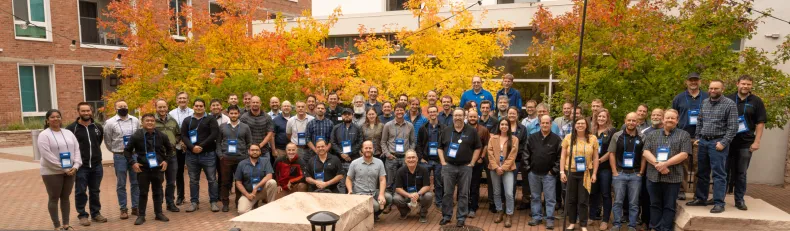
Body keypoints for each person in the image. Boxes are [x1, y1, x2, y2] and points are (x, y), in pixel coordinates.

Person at [686, 80, 739, 213]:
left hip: (718, 143)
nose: (713, 91)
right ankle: (701, 198)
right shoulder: (704, 102)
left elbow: (733, 127)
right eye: (711, 88)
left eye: (716, 88)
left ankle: (719, 203)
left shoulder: (729, 104)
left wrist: (724, 142)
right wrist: (697, 137)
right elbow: (700, 121)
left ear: (723, 89)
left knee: (719, 174)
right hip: (703, 142)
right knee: (701, 172)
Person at [643, 109, 690, 231]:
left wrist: (666, 164)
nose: (669, 120)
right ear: (663, 119)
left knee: (669, 206)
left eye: (672, 118)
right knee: (654, 204)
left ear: (677, 120)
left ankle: (665, 228)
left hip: (673, 177)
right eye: (667, 118)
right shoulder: (652, 135)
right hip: (653, 176)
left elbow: (684, 154)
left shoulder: (684, 135)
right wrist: (658, 164)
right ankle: (655, 227)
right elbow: (646, 152)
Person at [725, 75, 766, 210]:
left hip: (746, 143)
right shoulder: (728, 99)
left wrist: (757, 141)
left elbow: (760, 123)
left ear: (751, 86)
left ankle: (739, 200)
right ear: (737, 84)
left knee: (741, 173)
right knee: (723, 171)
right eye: (743, 84)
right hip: (727, 141)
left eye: (748, 84)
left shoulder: (756, 101)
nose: (745, 86)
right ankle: (719, 198)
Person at [124, 113, 173, 225]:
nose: (150, 122)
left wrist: (166, 160)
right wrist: (133, 163)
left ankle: (158, 213)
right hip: (143, 169)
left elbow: (170, 150)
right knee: (143, 192)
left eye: (152, 120)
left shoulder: (162, 135)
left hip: (157, 168)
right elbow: (127, 151)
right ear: (142, 122)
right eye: (147, 120)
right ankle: (141, 215)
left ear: (154, 122)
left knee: (158, 191)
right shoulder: (137, 136)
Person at [438, 108, 482, 227]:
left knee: (463, 193)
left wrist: (472, 163)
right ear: (453, 117)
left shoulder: (471, 131)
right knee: (447, 193)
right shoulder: (446, 130)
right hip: (449, 166)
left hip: (465, 167)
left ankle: (461, 217)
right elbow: (440, 147)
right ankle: (446, 216)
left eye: (460, 115)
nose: (458, 118)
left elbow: (478, 147)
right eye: (456, 115)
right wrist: (443, 162)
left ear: (464, 117)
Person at [39, 109, 82, 231]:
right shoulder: (44, 135)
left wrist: (75, 166)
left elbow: (77, 150)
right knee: (54, 198)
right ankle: (57, 225)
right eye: (52, 117)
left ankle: (66, 225)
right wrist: (64, 169)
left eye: (58, 117)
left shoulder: (68, 133)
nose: (55, 119)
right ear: (47, 120)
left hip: (71, 171)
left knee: (65, 197)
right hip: (52, 172)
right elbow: (47, 156)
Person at [65, 102, 107, 226]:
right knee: (80, 191)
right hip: (81, 167)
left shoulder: (97, 127)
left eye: (88, 110)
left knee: (95, 191)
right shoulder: (71, 128)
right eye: (83, 111)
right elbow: (69, 147)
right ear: (78, 112)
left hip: (96, 165)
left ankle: (96, 213)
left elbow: (97, 142)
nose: (86, 113)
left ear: (91, 111)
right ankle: (82, 215)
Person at [180, 99, 220, 212]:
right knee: (193, 180)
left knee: (212, 179)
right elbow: (183, 135)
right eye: (196, 106)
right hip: (191, 155)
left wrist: (201, 146)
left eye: (201, 106)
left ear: (204, 107)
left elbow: (214, 134)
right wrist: (192, 147)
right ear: (193, 106)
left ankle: (213, 202)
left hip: (208, 154)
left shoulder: (210, 119)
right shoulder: (187, 120)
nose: (198, 108)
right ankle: (194, 202)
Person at [609, 112, 647, 231]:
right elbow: (611, 154)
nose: (631, 122)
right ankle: (616, 224)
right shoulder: (617, 135)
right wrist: (614, 171)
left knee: (634, 203)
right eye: (629, 120)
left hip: (635, 174)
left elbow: (644, 156)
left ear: (637, 122)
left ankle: (632, 225)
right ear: (625, 121)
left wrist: (641, 172)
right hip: (620, 173)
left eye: (634, 120)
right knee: (618, 201)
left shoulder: (642, 137)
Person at [560, 117, 599, 231]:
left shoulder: (593, 138)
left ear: (587, 125)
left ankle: (583, 224)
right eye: (578, 123)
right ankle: (572, 222)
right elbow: (563, 156)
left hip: (586, 173)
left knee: (583, 200)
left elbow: (596, 157)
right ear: (574, 125)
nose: (580, 125)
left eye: (583, 123)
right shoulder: (568, 137)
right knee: (571, 199)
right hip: (570, 172)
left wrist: (594, 173)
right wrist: (562, 171)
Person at [672, 73, 708, 199]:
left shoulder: (707, 96)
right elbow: (673, 116)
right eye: (691, 80)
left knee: (700, 165)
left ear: (700, 82)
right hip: (683, 136)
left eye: (696, 80)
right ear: (686, 82)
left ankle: (698, 193)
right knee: (683, 165)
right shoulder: (679, 98)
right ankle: (682, 190)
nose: (693, 82)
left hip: (701, 136)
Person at [104, 100, 140, 219]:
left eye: (125, 106)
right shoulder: (109, 123)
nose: (123, 108)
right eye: (120, 106)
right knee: (121, 183)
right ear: (116, 108)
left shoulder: (135, 120)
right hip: (119, 155)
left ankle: (135, 207)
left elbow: (138, 136)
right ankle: (123, 208)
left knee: (135, 182)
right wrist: (115, 150)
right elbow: (108, 140)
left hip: (134, 155)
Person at [525, 115, 561, 230]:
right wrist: (529, 169)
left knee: (550, 198)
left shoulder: (556, 139)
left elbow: (560, 157)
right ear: (539, 124)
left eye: (547, 123)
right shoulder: (532, 137)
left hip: (549, 175)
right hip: (534, 173)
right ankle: (536, 217)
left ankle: (549, 219)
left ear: (551, 124)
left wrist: (553, 171)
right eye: (542, 123)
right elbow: (526, 154)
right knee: (535, 197)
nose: (545, 125)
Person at [216, 105, 253, 212]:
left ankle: (238, 202)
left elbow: (249, 143)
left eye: (235, 113)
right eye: (231, 113)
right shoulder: (222, 127)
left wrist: (246, 156)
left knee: (239, 181)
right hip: (226, 158)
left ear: (239, 114)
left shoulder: (245, 127)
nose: (233, 115)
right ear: (228, 114)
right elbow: (218, 142)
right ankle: (225, 203)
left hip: (241, 159)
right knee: (225, 181)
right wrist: (220, 155)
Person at [346, 141, 391, 221]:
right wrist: (350, 190)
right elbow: (348, 179)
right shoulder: (354, 163)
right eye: (366, 148)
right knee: (376, 206)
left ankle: (373, 216)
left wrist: (381, 194)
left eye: (370, 148)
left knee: (388, 197)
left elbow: (382, 179)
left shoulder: (379, 162)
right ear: (362, 150)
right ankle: (367, 217)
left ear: (373, 149)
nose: (368, 150)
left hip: (373, 192)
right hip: (360, 194)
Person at [488, 119, 520, 228]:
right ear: (499, 126)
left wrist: (503, 168)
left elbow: (512, 156)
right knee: (496, 192)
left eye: (506, 124)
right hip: (494, 169)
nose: (504, 126)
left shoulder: (514, 139)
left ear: (509, 126)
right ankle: (499, 211)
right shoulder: (493, 138)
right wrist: (497, 167)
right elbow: (490, 153)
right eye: (502, 124)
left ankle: (509, 214)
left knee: (509, 193)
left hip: (508, 169)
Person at [381, 103, 415, 203]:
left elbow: (413, 142)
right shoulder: (388, 125)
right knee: (389, 183)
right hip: (392, 157)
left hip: (405, 158)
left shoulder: (410, 126)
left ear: (405, 112)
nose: (399, 112)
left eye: (401, 110)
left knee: (403, 181)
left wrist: (409, 153)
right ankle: (388, 204)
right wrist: (388, 154)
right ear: (394, 112)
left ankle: (402, 202)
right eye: (397, 110)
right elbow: (383, 142)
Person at [153, 99, 182, 212]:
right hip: (157, 157)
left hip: (172, 155)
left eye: (164, 107)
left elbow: (178, 134)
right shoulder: (152, 121)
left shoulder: (173, 121)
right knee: (158, 181)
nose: (162, 109)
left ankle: (170, 203)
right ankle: (159, 203)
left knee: (171, 181)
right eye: (159, 107)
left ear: (167, 107)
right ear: (156, 107)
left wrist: (175, 141)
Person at [590, 109, 616, 230]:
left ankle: (605, 220)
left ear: (607, 118)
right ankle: (591, 216)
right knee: (593, 192)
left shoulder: (612, 132)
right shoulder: (591, 131)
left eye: (603, 116)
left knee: (605, 193)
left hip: (605, 167)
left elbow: (611, 150)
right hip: (591, 167)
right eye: (599, 116)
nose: (601, 118)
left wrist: (599, 161)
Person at [234, 144, 279, 214]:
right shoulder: (242, 164)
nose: (255, 152)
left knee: (272, 182)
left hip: (263, 191)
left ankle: (271, 206)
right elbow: (238, 182)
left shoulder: (265, 161)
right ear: (248, 151)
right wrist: (247, 195)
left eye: (257, 150)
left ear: (260, 152)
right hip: (249, 193)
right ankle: (256, 213)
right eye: (252, 150)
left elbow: (269, 176)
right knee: (242, 211)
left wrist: (256, 187)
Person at [416, 105, 445, 210]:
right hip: (426, 160)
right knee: (424, 182)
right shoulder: (423, 128)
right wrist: (420, 158)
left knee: (439, 182)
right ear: (428, 114)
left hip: (438, 160)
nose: (433, 114)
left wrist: (443, 159)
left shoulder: (443, 127)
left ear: (438, 113)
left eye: (434, 112)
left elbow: (446, 144)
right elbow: (418, 144)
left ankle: (439, 202)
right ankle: (423, 203)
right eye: (430, 112)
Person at [392, 150, 434, 223]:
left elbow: (427, 186)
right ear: (405, 160)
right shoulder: (400, 171)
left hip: (420, 194)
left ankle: (422, 214)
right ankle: (405, 211)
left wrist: (418, 194)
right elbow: (398, 188)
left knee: (429, 196)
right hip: (406, 195)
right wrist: (409, 195)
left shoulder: (423, 170)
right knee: (396, 198)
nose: (411, 160)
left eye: (413, 157)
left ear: (417, 159)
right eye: (409, 158)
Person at [330, 108, 363, 193]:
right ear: (342, 116)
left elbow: (360, 142)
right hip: (339, 159)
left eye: (349, 114)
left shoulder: (357, 128)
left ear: (352, 115)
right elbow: (333, 142)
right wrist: (341, 153)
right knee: (341, 182)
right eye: (345, 114)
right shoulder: (336, 128)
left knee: (354, 181)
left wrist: (349, 154)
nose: (347, 116)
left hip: (353, 159)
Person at [169, 92, 193, 205]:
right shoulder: (171, 113)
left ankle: (194, 197)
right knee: (178, 172)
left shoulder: (193, 112)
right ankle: (180, 196)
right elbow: (171, 131)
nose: (182, 100)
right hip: (177, 147)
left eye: (184, 98)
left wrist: (187, 142)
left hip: (191, 147)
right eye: (180, 98)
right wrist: (179, 141)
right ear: (176, 100)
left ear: (188, 100)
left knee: (193, 172)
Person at [466, 108, 490, 218]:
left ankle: (473, 208)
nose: (472, 118)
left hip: (478, 162)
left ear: (478, 117)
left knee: (475, 186)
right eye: (470, 116)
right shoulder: (463, 129)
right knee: (464, 186)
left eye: (474, 117)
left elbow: (486, 144)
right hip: (465, 162)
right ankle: (465, 206)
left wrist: (482, 157)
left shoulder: (483, 130)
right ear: (467, 117)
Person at [240, 96, 275, 162]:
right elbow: (241, 133)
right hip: (248, 151)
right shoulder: (244, 117)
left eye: (257, 102)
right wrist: (252, 147)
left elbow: (270, 133)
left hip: (264, 151)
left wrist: (260, 145)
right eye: (253, 102)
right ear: (250, 103)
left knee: (265, 171)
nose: (255, 104)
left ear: (260, 103)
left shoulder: (267, 117)